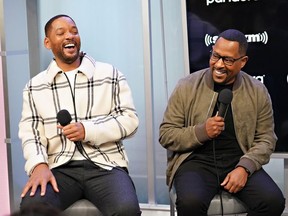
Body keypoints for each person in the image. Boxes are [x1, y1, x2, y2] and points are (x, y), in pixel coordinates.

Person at [18, 14, 141, 215]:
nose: (69, 36)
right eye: (61, 33)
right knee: (32, 208)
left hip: (106, 165)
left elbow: (130, 121)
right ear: (47, 43)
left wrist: (88, 130)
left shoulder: (110, 74)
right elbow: (30, 133)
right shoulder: (35, 86)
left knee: (126, 209)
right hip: (58, 167)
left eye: (74, 31)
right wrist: (38, 165)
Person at [159, 29, 285, 216]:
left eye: (227, 60)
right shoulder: (187, 86)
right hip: (195, 161)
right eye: (215, 55)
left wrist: (245, 167)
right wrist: (202, 132)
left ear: (243, 62)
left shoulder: (257, 91)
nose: (218, 64)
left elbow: (266, 139)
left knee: (273, 202)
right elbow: (166, 134)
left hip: (239, 159)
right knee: (190, 203)